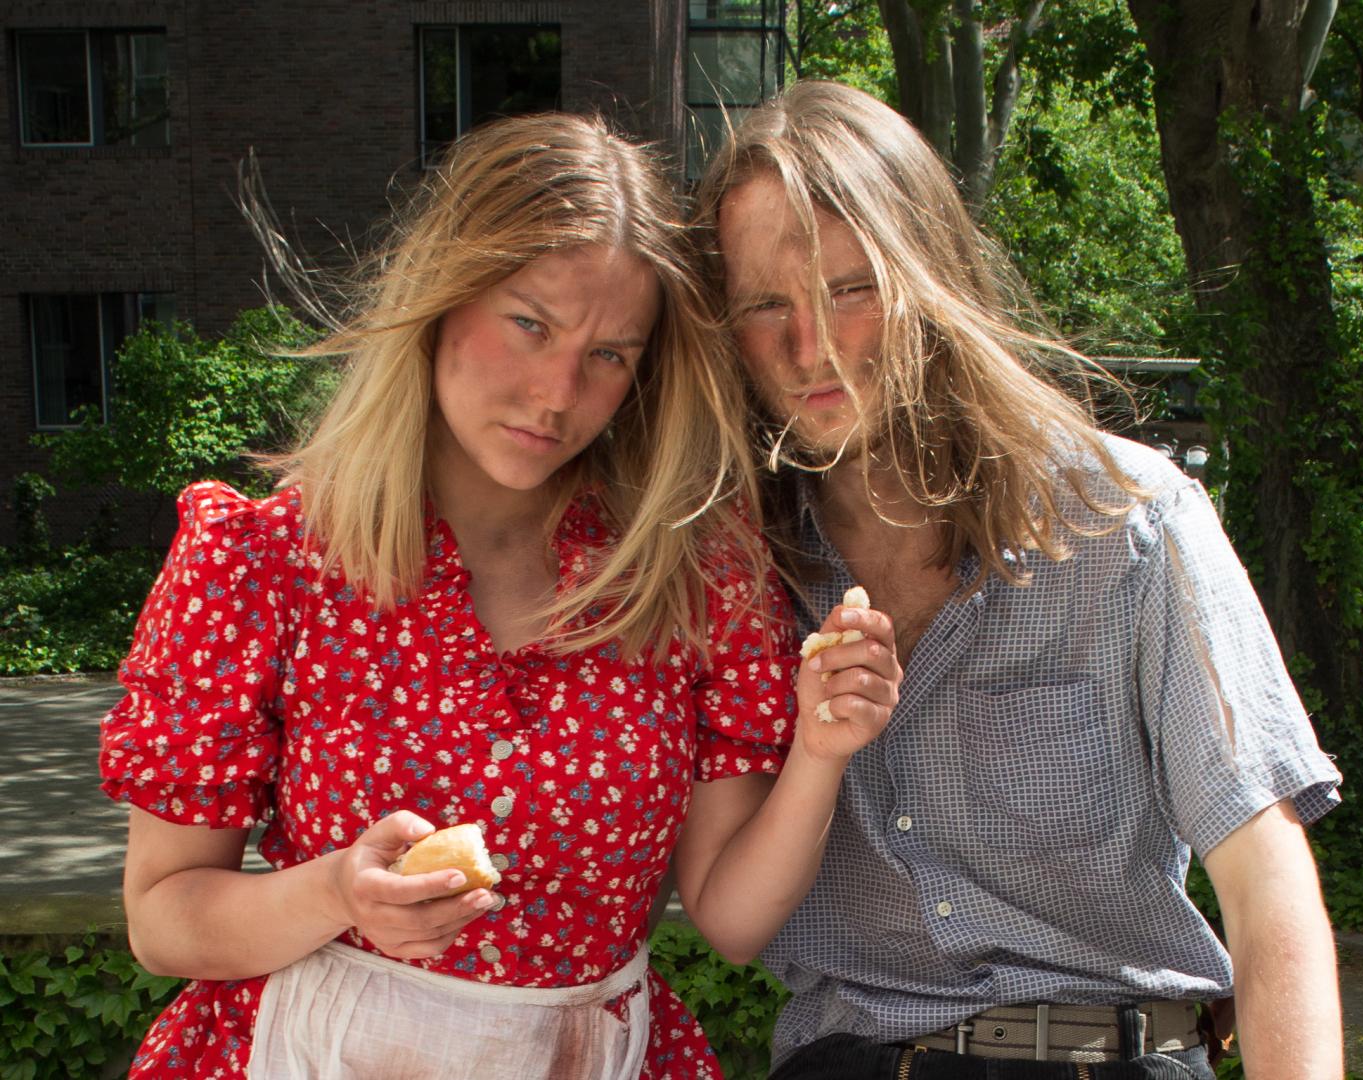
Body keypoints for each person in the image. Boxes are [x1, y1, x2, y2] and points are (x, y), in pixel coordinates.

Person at [99, 111, 901, 1079]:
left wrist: (819, 750)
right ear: (443, 299)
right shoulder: (264, 560)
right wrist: (337, 895)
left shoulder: (688, 569)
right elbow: (163, 918)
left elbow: (731, 922)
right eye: (531, 324)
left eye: (611, 354)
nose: (558, 392)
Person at [694, 81, 1344, 1080]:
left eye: (851, 289)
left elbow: (1265, 880)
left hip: (1114, 1055)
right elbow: (728, 910)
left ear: (930, 275)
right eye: (765, 305)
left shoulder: (1126, 520)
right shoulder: (734, 569)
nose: (808, 345)